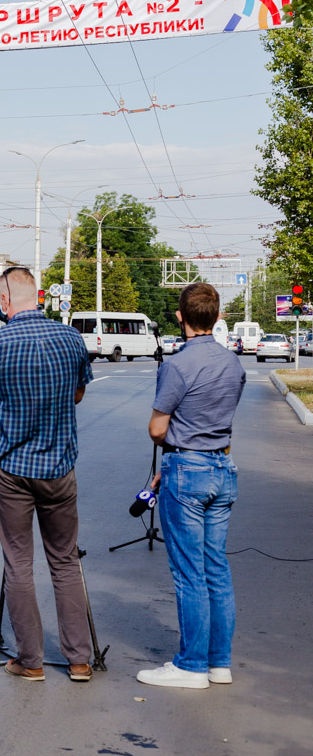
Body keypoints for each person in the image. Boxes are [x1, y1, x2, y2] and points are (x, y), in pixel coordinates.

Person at [0, 266, 94, 682]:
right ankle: (79, 661)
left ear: (4, 301)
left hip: (12, 469)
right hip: (59, 466)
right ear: (37, 295)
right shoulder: (71, 338)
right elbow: (77, 393)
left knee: (18, 562)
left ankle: (31, 661)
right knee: (65, 559)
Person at [137, 283, 245, 690]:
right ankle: (219, 663)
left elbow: (156, 428)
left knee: (188, 573)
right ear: (217, 318)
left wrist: (177, 454)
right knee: (217, 569)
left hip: (187, 472)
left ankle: (190, 665)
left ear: (180, 317)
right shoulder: (234, 364)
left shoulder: (178, 365)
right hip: (223, 469)